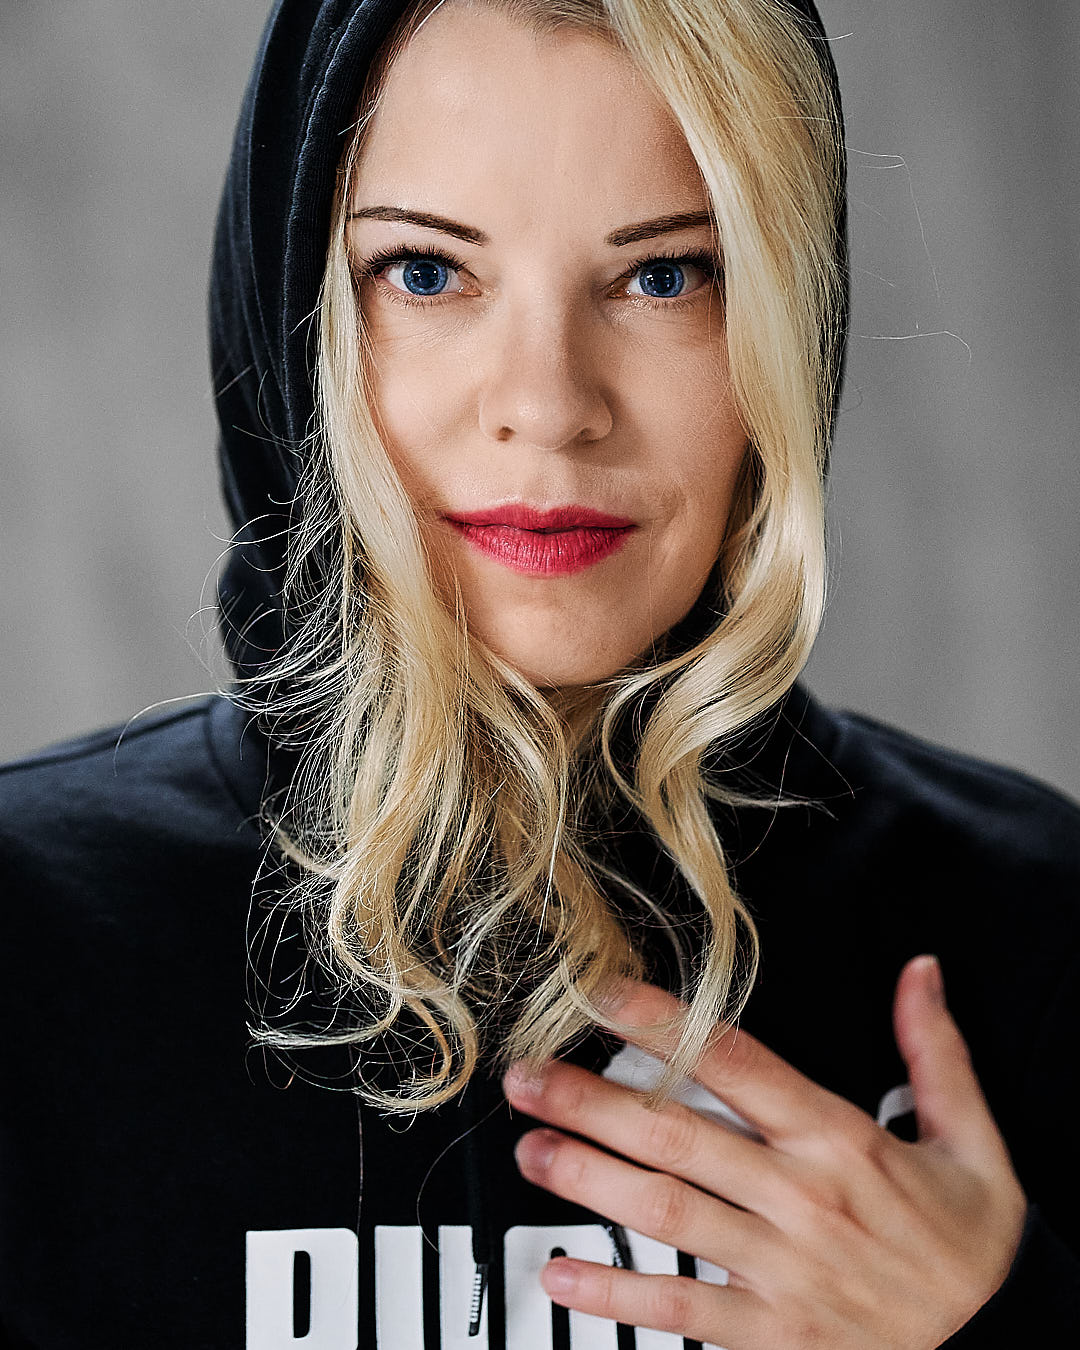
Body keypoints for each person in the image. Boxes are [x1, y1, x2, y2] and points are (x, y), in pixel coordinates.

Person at [1, 0, 1077, 1345]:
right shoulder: (29, 938)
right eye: (429, 274)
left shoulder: (1029, 931)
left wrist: (997, 1325)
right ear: (292, 311)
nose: (551, 400)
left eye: (665, 275)